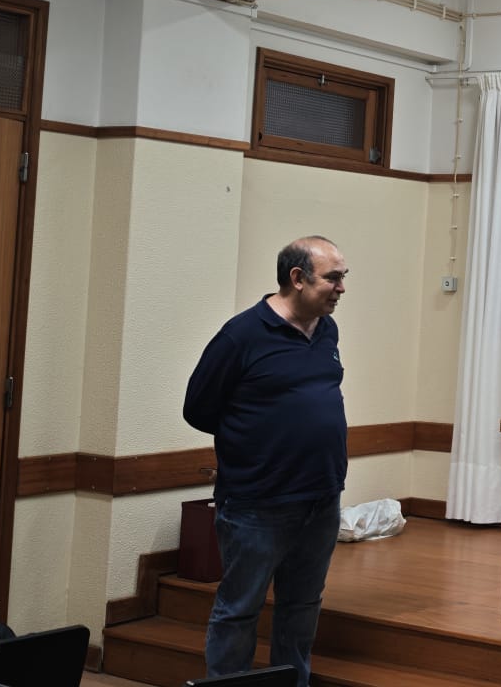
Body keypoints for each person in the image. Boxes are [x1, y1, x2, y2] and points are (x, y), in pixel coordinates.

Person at [184, 236, 351, 687]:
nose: (341, 288)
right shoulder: (241, 336)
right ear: (297, 278)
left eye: (343, 277)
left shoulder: (327, 331)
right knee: (239, 609)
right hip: (257, 503)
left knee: (302, 607)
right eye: (333, 278)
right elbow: (198, 410)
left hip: (321, 497)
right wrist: (257, 445)